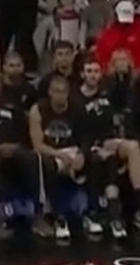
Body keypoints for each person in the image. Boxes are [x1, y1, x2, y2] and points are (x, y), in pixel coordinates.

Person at [76, 58, 140, 238]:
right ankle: (108, 213)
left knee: (133, 147)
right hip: (90, 145)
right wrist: (94, 147)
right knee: (107, 160)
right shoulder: (76, 98)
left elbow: (127, 96)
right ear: (82, 74)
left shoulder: (107, 92)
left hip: (110, 140)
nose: (93, 75)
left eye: (96, 71)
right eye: (89, 71)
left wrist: (123, 72)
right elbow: (78, 132)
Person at [0, 68, 46, 240]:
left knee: (34, 158)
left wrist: (14, 146)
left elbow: (22, 130)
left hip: (14, 147)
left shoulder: (13, 104)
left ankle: (39, 215)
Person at [29, 74, 86, 240]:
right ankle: (58, 216)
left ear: (68, 93)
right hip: (50, 152)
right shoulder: (38, 110)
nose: (59, 95)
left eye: (63, 92)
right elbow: (37, 145)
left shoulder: (77, 108)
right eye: (56, 91)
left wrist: (81, 154)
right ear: (49, 92)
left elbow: (85, 138)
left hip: (72, 149)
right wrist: (60, 155)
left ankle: (93, 213)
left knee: (94, 159)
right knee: (48, 165)